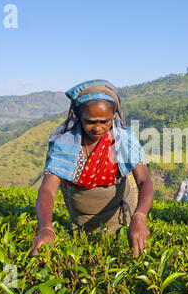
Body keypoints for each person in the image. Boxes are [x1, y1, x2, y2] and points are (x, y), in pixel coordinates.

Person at [31, 79, 154, 258]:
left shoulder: (123, 140)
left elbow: (145, 181)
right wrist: (45, 228)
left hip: (121, 219)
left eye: (105, 121)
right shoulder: (65, 145)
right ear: (78, 116)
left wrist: (140, 217)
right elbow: (47, 190)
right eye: (90, 121)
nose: (97, 128)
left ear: (114, 116)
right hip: (80, 222)